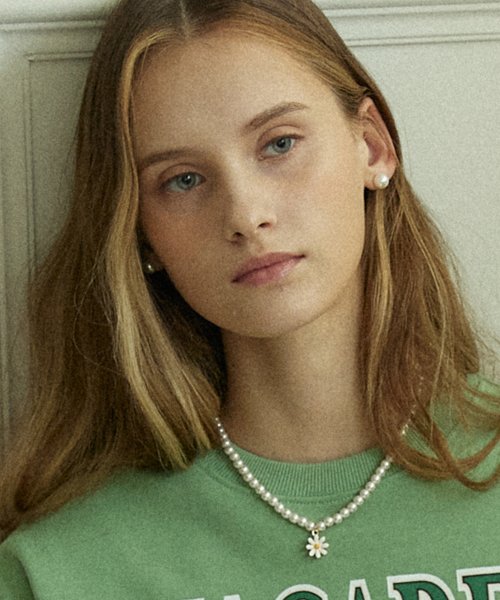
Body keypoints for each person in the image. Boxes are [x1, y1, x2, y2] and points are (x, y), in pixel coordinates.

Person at [0, 0, 498, 598]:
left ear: (371, 146)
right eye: (183, 179)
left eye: (279, 144)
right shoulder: (60, 569)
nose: (245, 214)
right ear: (140, 231)